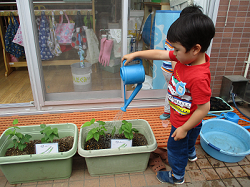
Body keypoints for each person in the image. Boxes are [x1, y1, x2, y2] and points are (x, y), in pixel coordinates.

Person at [121, 5, 215, 185]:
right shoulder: (187, 58)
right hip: (189, 119)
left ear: (195, 49)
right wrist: (137, 53)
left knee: (174, 149)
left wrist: (184, 128)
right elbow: (159, 53)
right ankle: (191, 153)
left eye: (177, 50)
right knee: (188, 142)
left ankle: (177, 176)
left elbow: (204, 108)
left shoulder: (199, 77)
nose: (174, 54)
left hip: (183, 121)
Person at [160, 5, 203, 120]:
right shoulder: (181, 38)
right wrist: (178, 74)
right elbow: (174, 59)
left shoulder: (176, 34)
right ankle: (173, 112)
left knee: (171, 90)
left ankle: (168, 112)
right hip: (172, 71)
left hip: (166, 69)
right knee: (175, 91)